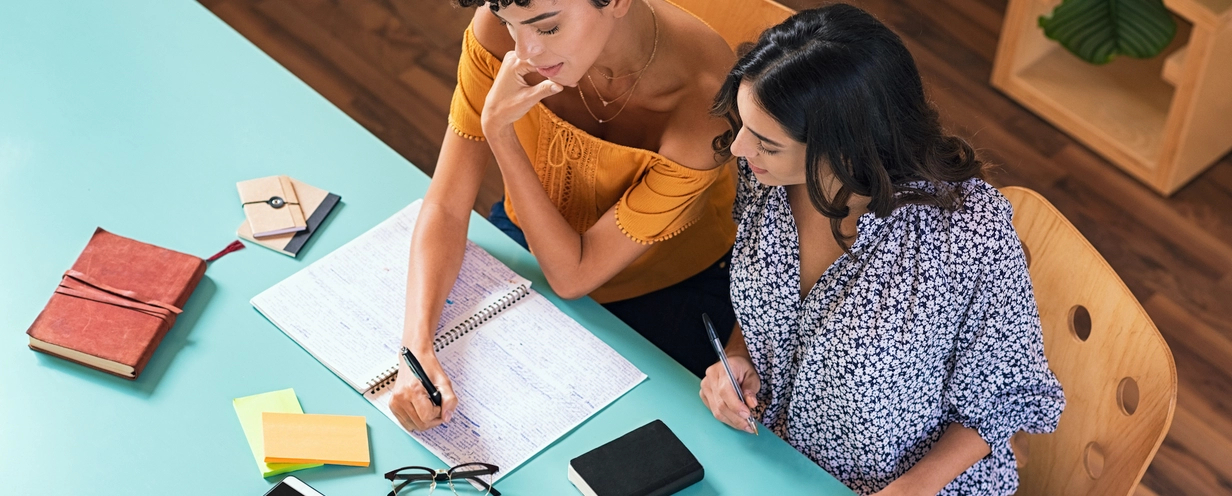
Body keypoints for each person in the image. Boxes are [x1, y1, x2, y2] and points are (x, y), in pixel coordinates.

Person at [697, 5, 1065, 495]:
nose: (740, 149)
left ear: (844, 147)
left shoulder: (964, 233)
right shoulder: (768, 176)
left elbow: (1002, 399)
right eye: (744, 126)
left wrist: (913, 488)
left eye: (765, 141)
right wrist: (737, 359)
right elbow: (772, 305)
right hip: (770, 459)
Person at [390, 0, 740, 433]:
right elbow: (445, 205)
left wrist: (501, 134)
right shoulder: (505, 28)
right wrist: (415, 348)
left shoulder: (704, 100)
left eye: (548, 28)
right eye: (508, 24)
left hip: (669, 285)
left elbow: (573, 278)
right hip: (531, 238)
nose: (525, 51)